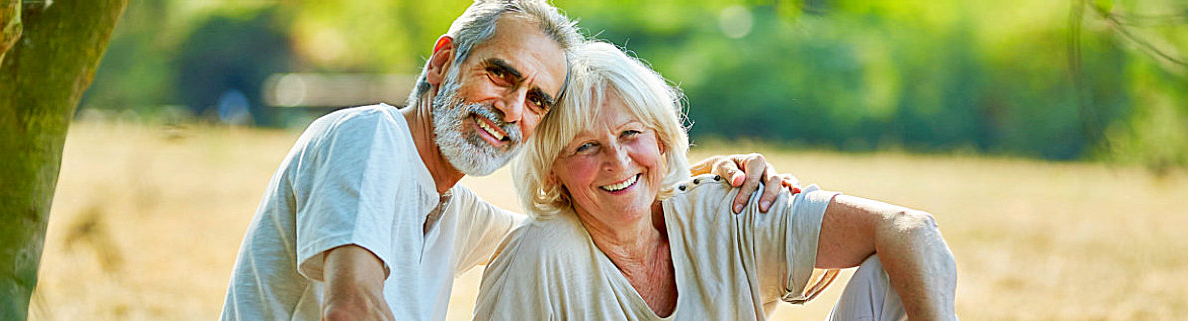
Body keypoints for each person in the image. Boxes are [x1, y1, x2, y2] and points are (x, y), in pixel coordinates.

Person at [219, 1, 798, 320]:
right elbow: (351, 307)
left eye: (537, 100)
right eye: (501, 74)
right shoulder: (372, 137)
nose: (511, 109)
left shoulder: (450, 209)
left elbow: (584, 225)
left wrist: (685, 178)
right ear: (443, 63)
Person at [473, 42, 960, 320]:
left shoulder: (726, 207)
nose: (617, 162)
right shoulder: (541, 256)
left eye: (630, 134)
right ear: (552, 173)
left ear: (661, 141)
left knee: (891, 271)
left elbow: (910, 229)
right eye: (585, 147)